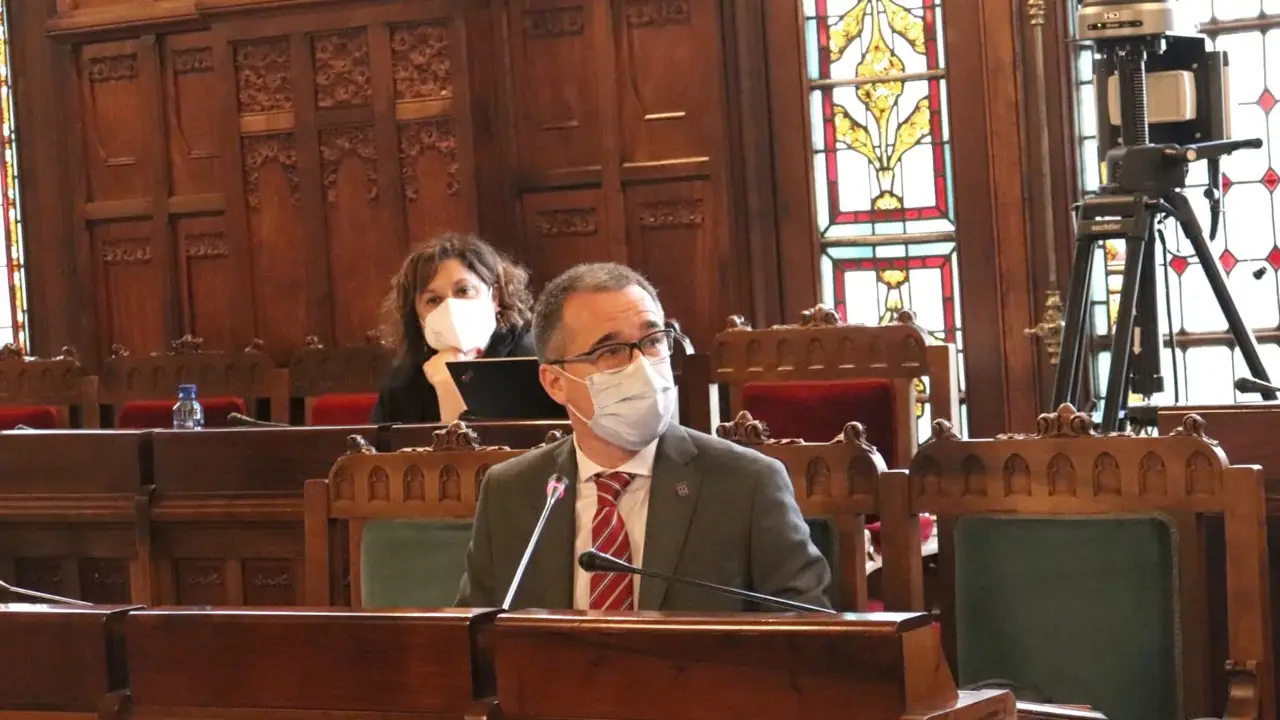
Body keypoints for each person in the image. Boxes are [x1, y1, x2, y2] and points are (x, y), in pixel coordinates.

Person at [455, 262, 831, 611]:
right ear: (555, 382)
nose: (641, 365)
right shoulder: (511, 491)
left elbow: (807, 631)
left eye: (652, 341)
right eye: (611, 350)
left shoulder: (748, 483)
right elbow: (473, 634)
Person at [370, 233, 535, 424]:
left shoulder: (530, 362)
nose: (450, 307)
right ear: (416, 315)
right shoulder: (404, 381)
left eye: (464, 291)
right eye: (433, 300)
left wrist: (449, 387)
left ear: (494, 297)